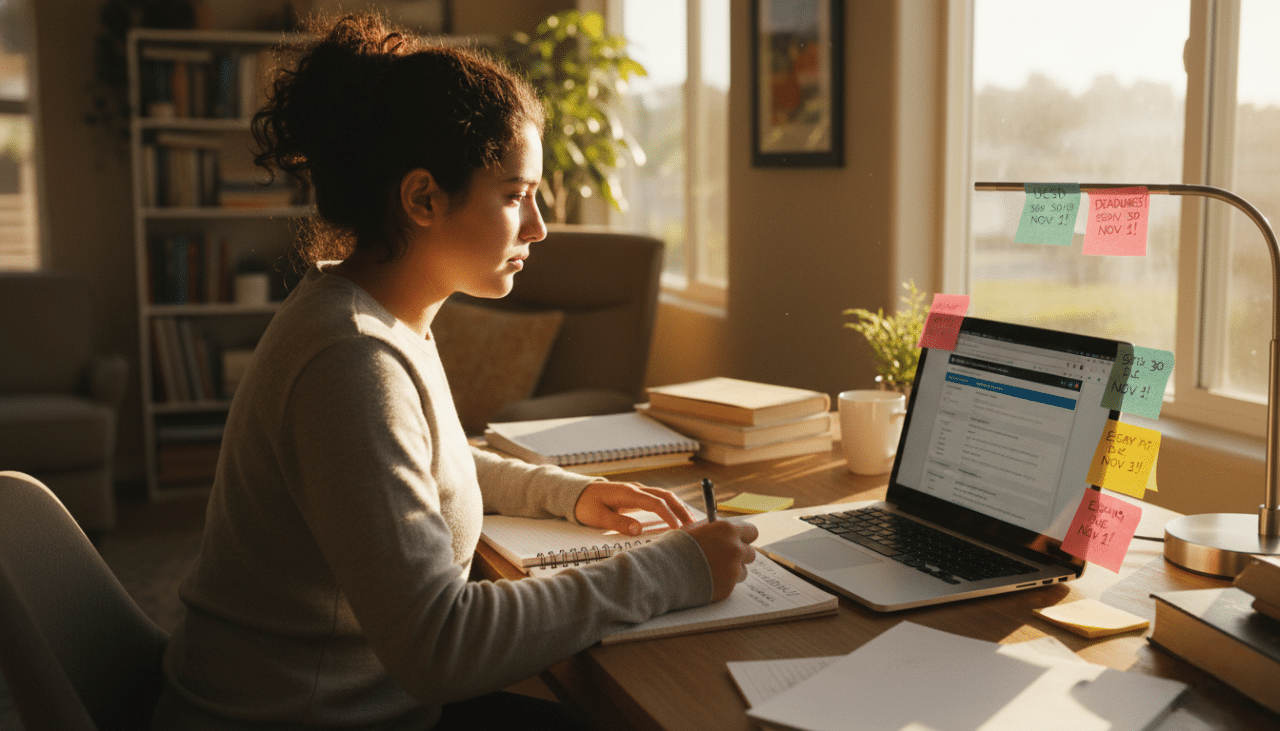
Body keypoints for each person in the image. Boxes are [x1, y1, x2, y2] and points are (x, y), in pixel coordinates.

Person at [151, 13, 758, 731]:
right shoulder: (349, 359)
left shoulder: (378, 314)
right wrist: (672, 570)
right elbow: (441, 644)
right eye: (513, 194)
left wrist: (571, 494)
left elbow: (421, 463)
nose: (538, 226)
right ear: (422, 199)